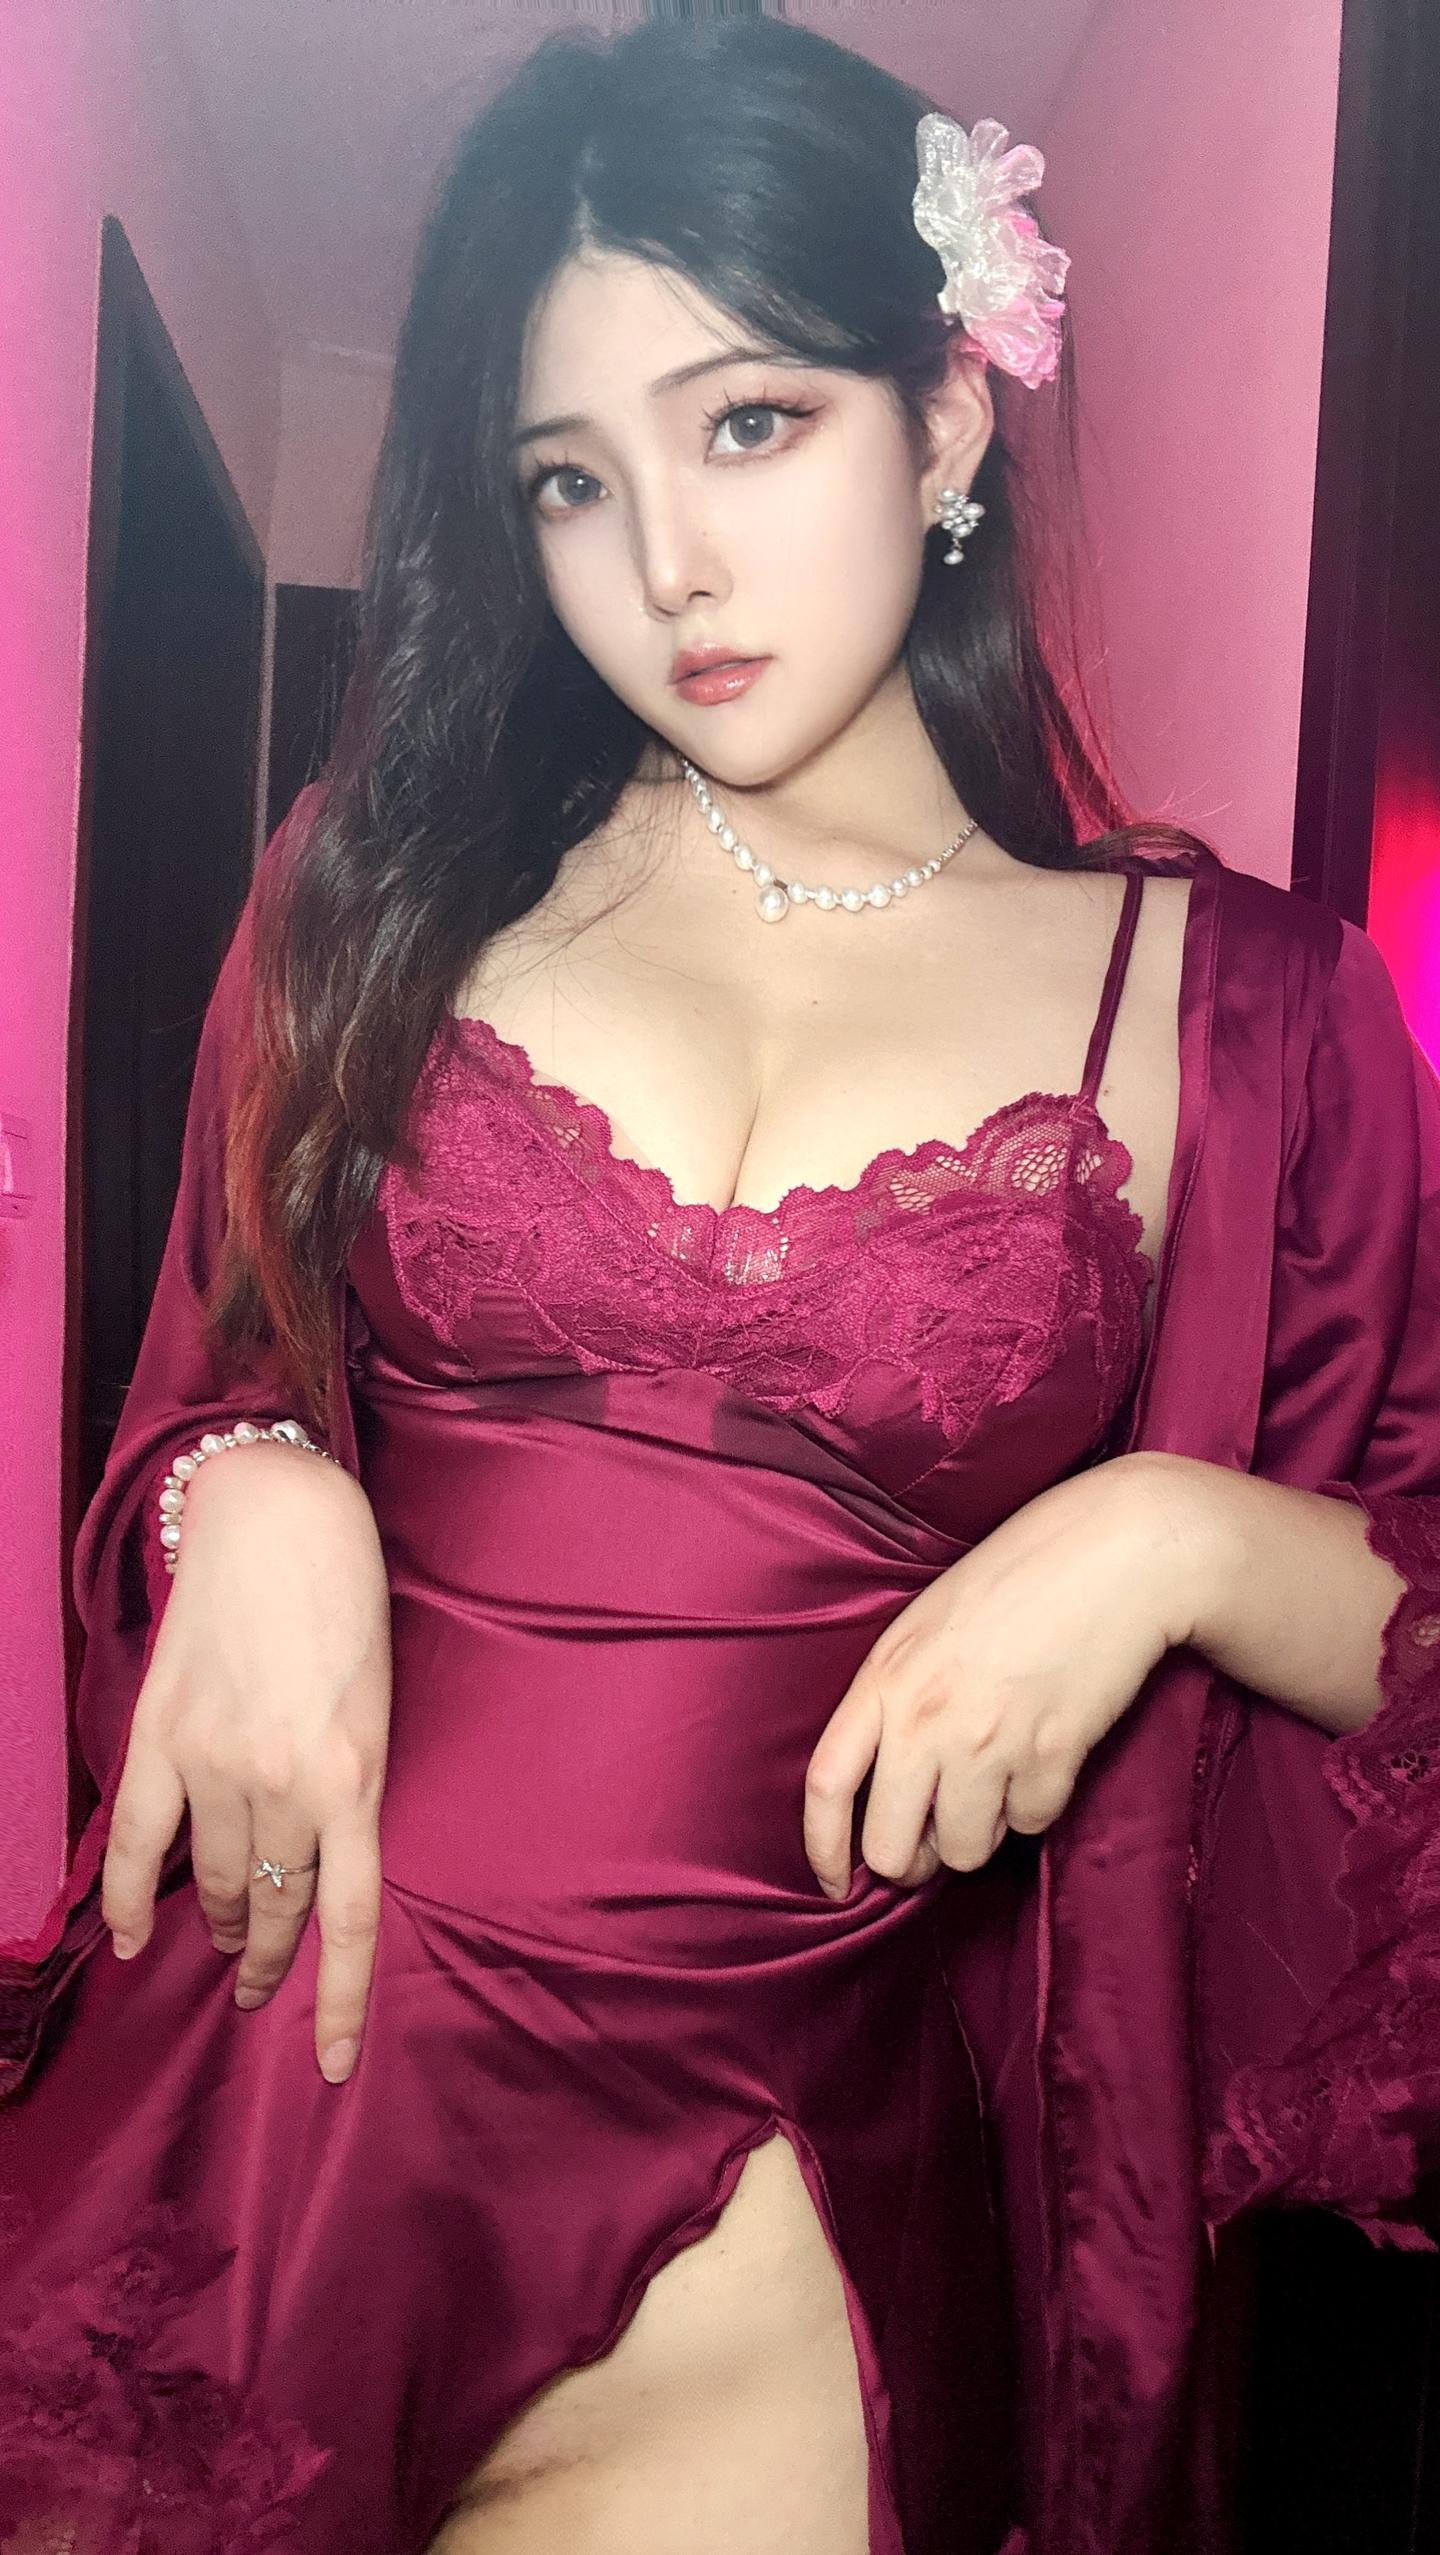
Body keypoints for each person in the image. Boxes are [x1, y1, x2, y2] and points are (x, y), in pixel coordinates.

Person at [2, 17, 1438, 2555]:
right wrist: (255, 1484)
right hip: (249, 2129)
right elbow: (196, 1390)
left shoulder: (1250, 1018)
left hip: (769, 2242)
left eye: (747, 423)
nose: (661, 563)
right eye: (572, 477)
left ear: (949, 415)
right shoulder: (376, 889)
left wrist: (1171, 1538)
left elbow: (1406, 1620)